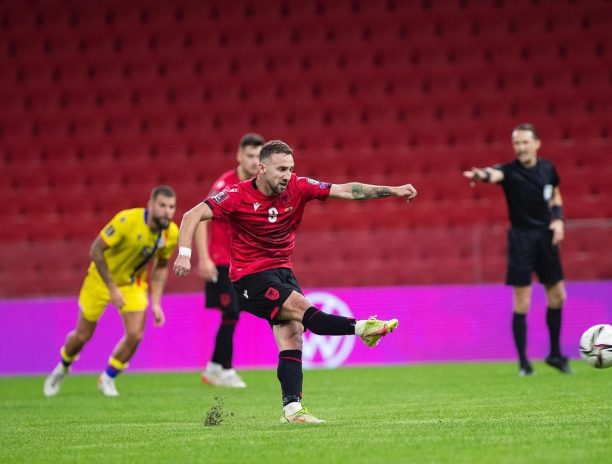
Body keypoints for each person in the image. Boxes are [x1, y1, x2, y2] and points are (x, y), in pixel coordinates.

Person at [173, 140, 417, 423]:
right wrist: (185, 254)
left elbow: (346, 190)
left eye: (290, 168)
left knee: (293, 334)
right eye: (281, 169)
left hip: (282, 272)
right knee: (303, 309)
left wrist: (392, 190)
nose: (287, 175)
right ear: (262, 169)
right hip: (249, 277)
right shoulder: (237, 195)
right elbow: (192, 215)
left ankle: (292, 410)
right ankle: (363, 328)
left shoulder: (298, 186)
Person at [43, 186, 179, 397]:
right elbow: (96, 250)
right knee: (83, 335)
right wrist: (112, 287)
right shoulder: (127, 221)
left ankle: (107, 378)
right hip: (100, 280)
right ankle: (62, 367)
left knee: (135, 335)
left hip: (131, 284)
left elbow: (161, 267)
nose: (167, 211)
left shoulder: (171, 233)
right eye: (162, 205)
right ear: (150, 205)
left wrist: (156, 302)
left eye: (171, 207)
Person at [463, 123, 571, 377]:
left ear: (536, 143)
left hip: (546, 236)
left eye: (525, 142)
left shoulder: (547, 169)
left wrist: (558, 220)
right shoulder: (510, 171)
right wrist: (481, 175)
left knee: (558, 296)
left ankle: (555, 354)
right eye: (517, 143)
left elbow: (555, 195)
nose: (521, 147)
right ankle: (524, 363)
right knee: (522, 301)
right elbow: (494, 174)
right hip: (521, 239)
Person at [195, 133, 265, 388]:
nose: (254, 161)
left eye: (258, 156)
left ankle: (214, 367)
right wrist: (204, 258)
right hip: (221, 261)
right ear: (239, 156)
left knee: (233, 314)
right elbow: (200, 218)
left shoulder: (261, 185)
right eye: (250, 155)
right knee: (231, 312)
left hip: (243, 262)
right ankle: (225, 370)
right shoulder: (225, 185)